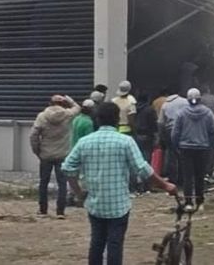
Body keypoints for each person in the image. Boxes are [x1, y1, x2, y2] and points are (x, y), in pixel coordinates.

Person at [63, 102, 177, 265]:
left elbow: (67, 168)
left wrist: (79, 192)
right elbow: (142, 169)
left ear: (97, 119)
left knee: (96, 243)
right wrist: (165, 185)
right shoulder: (125, 141)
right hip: (118, 205)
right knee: (115, 245)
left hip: (95, 204)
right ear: (117, 119)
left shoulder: (84, 142)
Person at [30, 94, 80, 218]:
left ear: (50, 103)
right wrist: (70, 100)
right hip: (62, 154)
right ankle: (60, 212)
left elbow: (33, 136)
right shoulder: (68, 115)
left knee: (44, 182)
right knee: (62, 183)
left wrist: (37, 151)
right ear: (63, 104)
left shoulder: (42, 116)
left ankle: (43, 210)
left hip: (46, 154)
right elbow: (77, 108)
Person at [172, 88, 214, 212]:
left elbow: (175, 132)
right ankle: (200, 201)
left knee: (188, 177)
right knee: (199, 176)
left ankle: (188, 202)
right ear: (199, 99)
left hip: (185, 148)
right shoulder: (208, 113)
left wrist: (176, 146)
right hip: (202, 148)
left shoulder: (181, 113)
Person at [158, 89, 188, 184]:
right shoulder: (185, 101)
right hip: (184, 130)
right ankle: (183, 178)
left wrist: (161, 136)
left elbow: (161, 123)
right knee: (183, 155)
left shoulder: (165, 104)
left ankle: (173, 179)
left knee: (172, 155)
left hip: (170, 130)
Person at [197, 83, 214, 180]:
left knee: (201, 151)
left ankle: (201, 172)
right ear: (208, 90)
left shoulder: (198, 100)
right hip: (212, 129)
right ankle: (208, 172)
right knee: (212, 151)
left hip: (200, 130)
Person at [133, 93, 158, 194]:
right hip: (147, 136)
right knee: (146, 161)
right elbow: (154, 123)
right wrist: (156, 136)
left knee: (137, 161)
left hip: (137, 135)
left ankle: (138, 185)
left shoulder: (134, 108)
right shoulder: (149, 109)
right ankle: (146, 185)